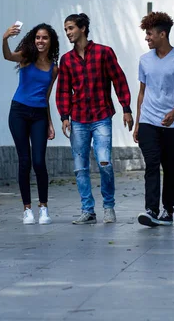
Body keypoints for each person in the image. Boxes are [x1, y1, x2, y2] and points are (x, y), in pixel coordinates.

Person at [56, 13, 134, 225]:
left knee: (104, 162)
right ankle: (88, 210)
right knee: (80, 167)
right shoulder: (66, 60)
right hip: (78, 119)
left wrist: (126, 108)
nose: (68, 33)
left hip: (101, 116)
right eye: (66, 30)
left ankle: (109, 207)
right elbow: (63, 90)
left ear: (82, 28)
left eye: (70, 28)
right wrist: (64, 116)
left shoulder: (103, 52)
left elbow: (119, 79)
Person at [133, 12, 174, 227]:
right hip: (149, 121)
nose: (147, 38)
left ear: (162, 34)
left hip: (172, 124)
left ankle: (167, 211)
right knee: (151, 165)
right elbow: (142, 92)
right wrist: (138, 122)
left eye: (150, 34)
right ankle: (151, 209)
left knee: (170, 167)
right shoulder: (144, 60)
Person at [2, 23, 60, 225]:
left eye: (44, 38)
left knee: (39, 161)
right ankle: (27, 209)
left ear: (51, 41)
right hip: (18, 112)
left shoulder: (54, 69)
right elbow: (8, 56)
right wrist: (5, 38)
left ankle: (43, 207)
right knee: (24, 161)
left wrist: (50, 123)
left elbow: (46, 96)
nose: (40, 41)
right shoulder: (26, 57)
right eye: (37, 37)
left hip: (39, 115)